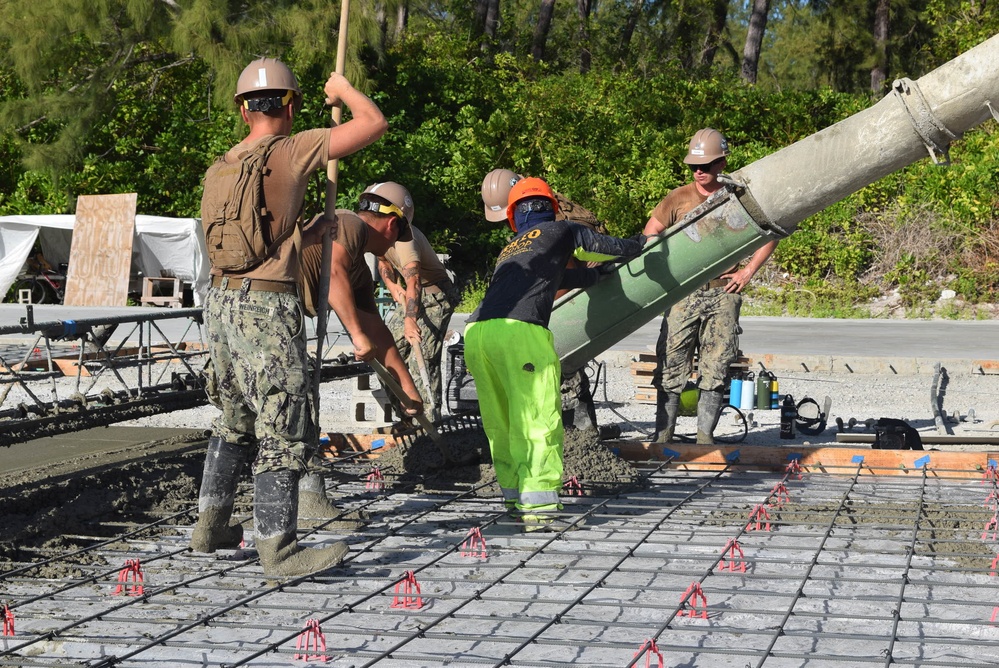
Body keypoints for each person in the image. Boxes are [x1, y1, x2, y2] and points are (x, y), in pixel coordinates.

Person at [191, 57, 387, 578]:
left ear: (242, 109)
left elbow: (256, 237)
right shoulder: (295, 148)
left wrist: (307, 230)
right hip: (266, 307)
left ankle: (209, 525)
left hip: (221, 303)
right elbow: (373, 124)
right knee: (285, 423)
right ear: (292, 105)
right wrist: (345, 88)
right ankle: (278, 549)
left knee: (235, 418)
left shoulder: (222, 165)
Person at [464, 178, 644, 532]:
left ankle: (515, 502)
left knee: (502, 424)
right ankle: (541, 513)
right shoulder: (562, 230)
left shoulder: (512, 247)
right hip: (520, 334)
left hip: (478, 333)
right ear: (553, 207)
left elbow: (546, 280)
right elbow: (604, 247)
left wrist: (592, 281)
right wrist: (639, 244)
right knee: (538, 421)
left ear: (514, 217)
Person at [643, 128, 778, 446]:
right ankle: (663, 437)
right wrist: (665, 267)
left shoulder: (738, 197)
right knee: (671, 364)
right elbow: (651, 234)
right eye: (694, 166)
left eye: (705, 165)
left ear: (722, 163)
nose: (699, 171)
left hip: (723, 293)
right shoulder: (678, 198)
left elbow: (771, 232)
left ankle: (705, 439)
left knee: (716, 365)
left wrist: (748, 271)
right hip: (683, 292)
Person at [480, 169, 608, 437]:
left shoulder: (555, 219)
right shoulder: (532, 210)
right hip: (553, 293)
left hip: (574, 292)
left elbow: (571, 269)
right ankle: (571, 428)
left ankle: (581, 434)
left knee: (564, 365)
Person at [298, 182, 424, 416]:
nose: (394, 244)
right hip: (265, 303)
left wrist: (409, 391)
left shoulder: (359, 272)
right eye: (399, 236)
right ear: (392, 224)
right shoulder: (349, 223)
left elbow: (378, 333)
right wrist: (358, 336)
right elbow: (333, 273)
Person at [376, 211, 459, 424]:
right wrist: (392, 285)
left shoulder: (406, 238)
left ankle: (429, 420)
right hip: (413, 297)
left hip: (436, 295)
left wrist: (410, 321)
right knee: (385, 353)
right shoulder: (378, 234)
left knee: (421, 356)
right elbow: (383, 260)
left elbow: (415, 282)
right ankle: (406, 419)